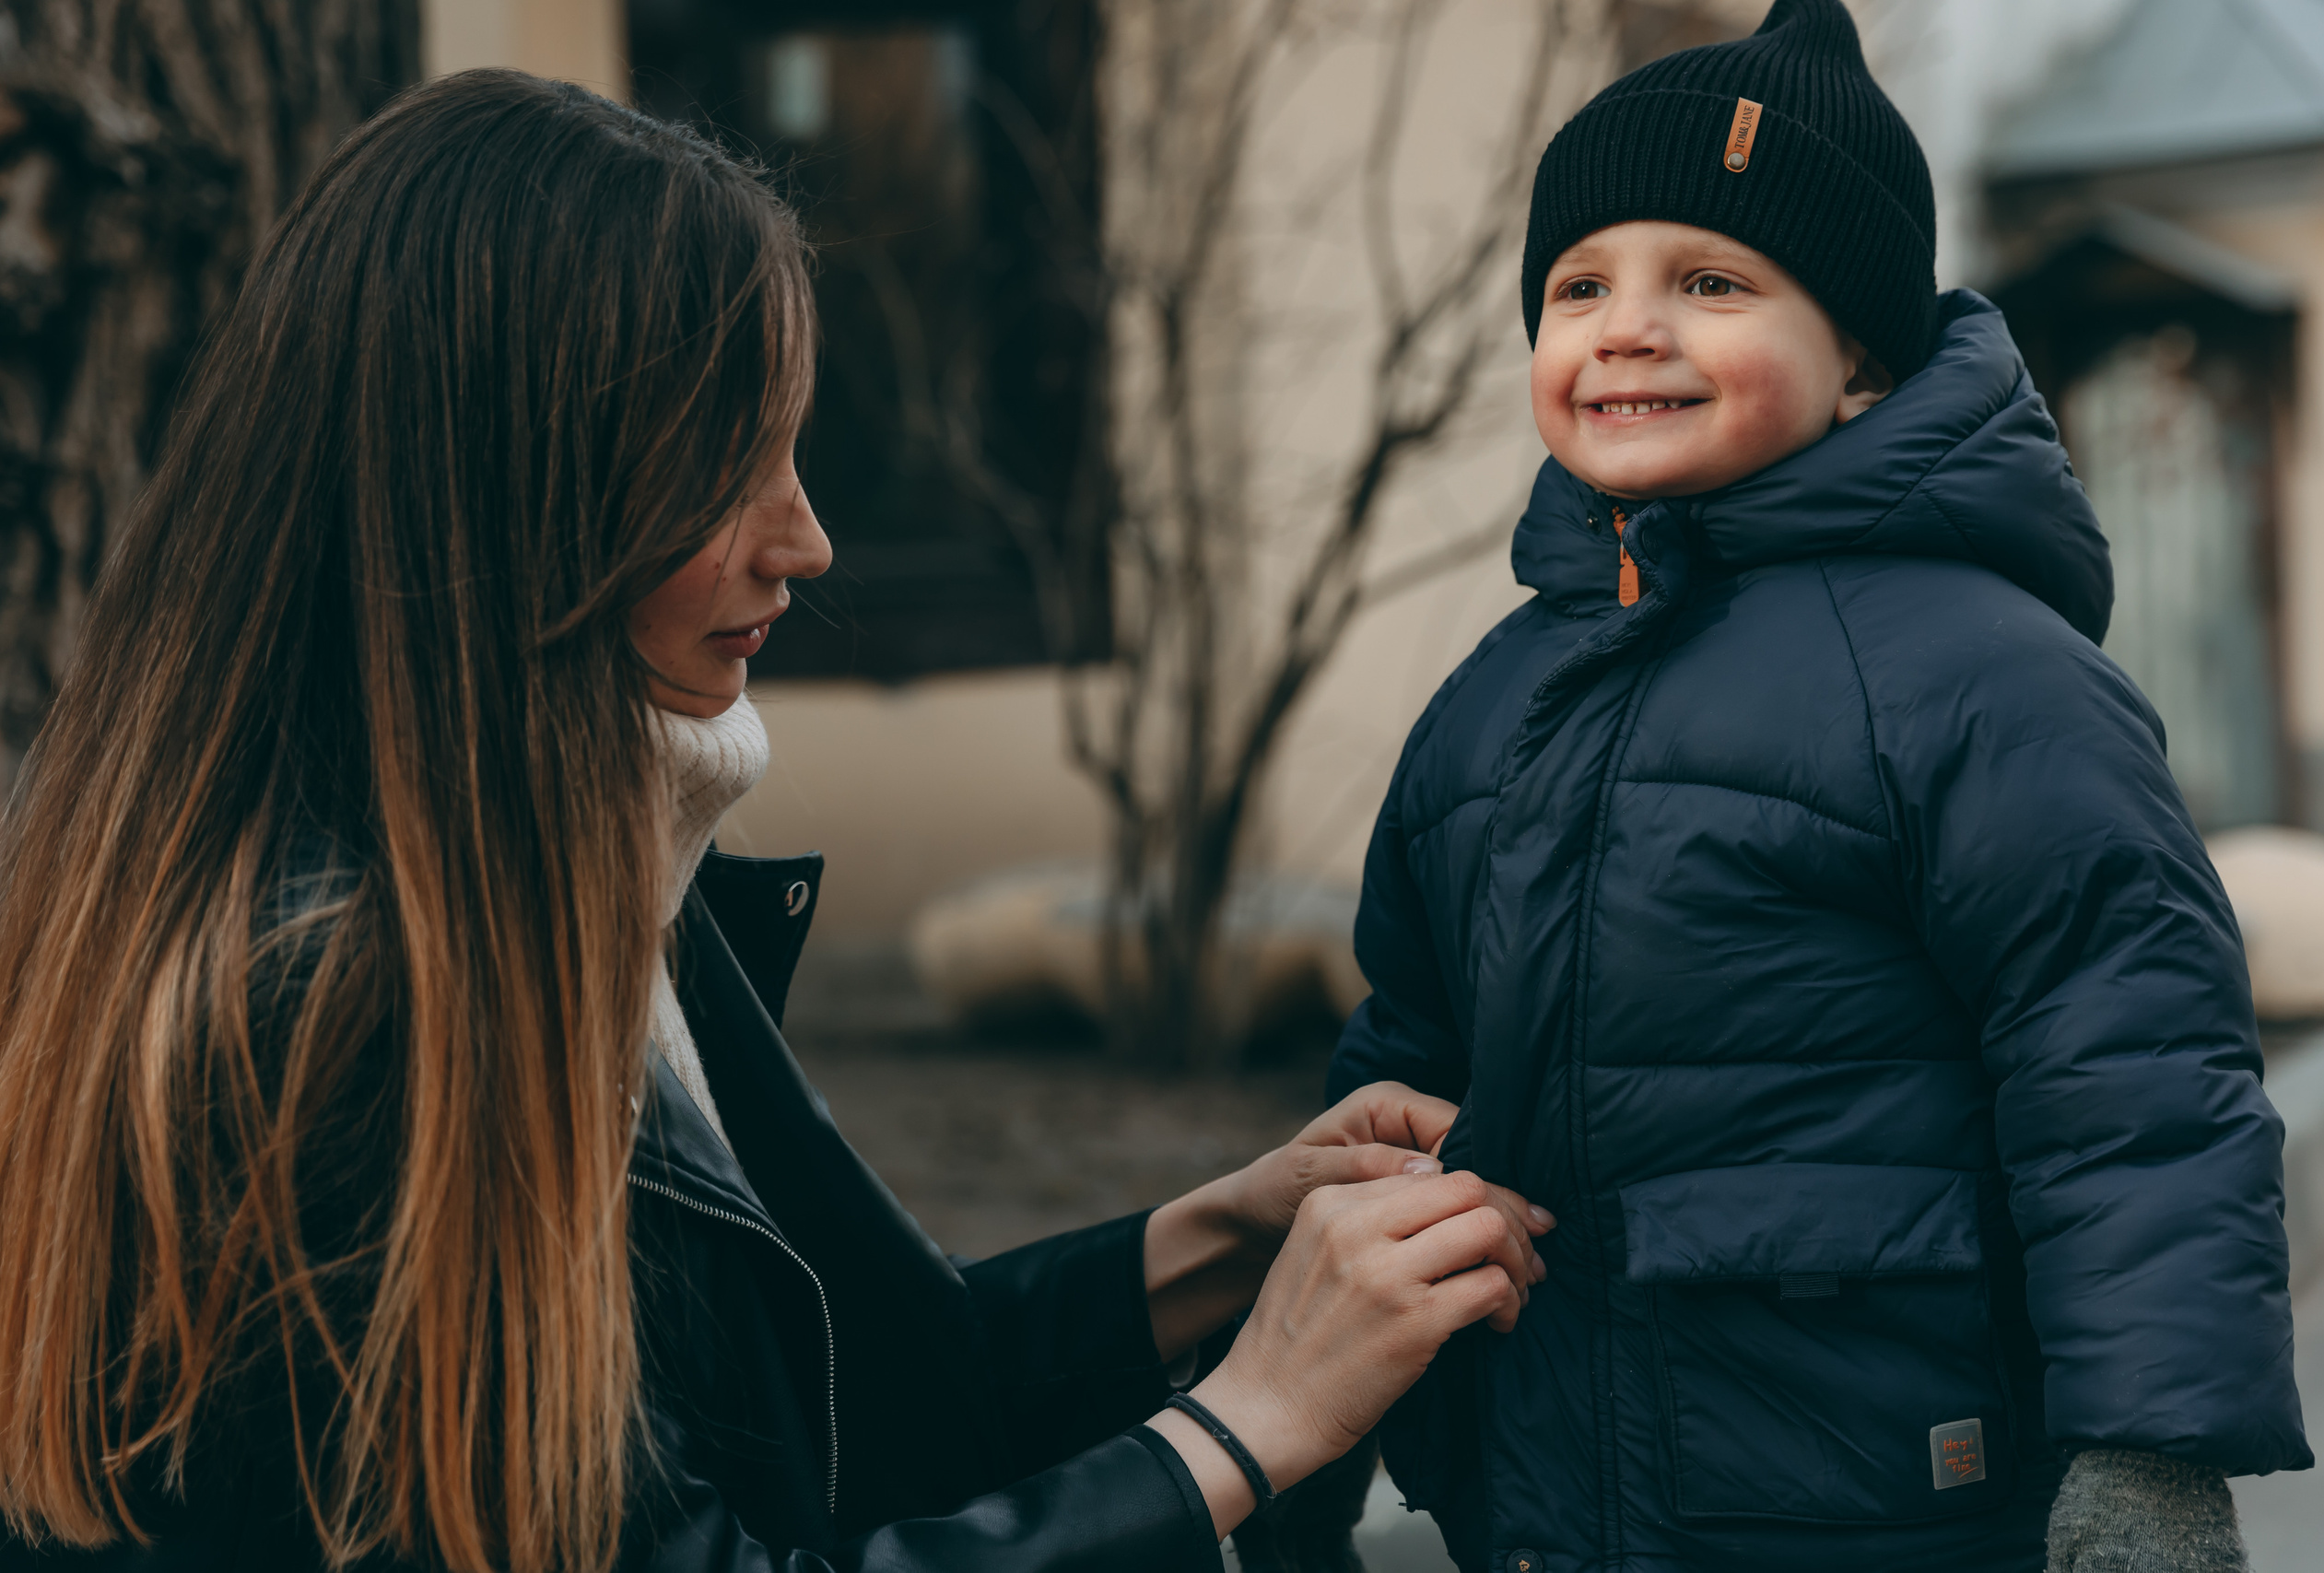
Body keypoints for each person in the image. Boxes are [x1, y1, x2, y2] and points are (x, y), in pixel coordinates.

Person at [0, 71, 1556, 1573]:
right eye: (727, 469)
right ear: (522, 495)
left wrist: (1224, 1236)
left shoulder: (574, 871)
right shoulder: (335, 1008)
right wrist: (1250, 1424)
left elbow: (861, 1392)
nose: (804, 539)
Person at [1328, 4, 2310, 1571]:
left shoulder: (1986, 677)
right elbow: (1407, 1050)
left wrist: (2154, 1453)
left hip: (1883, 1492)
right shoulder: (1496, 698)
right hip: (1551, 1499)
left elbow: (2133, 1075)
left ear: (1858, 358)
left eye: (1710, 283)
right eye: (1581, 285)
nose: (1628, 328)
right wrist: (1328, 1386)